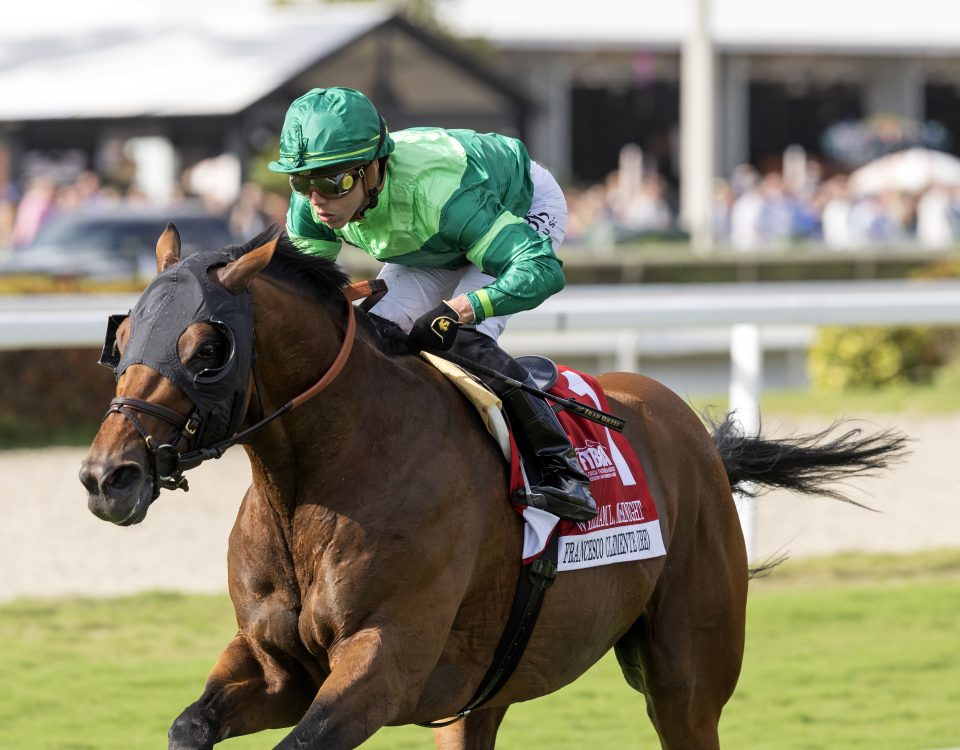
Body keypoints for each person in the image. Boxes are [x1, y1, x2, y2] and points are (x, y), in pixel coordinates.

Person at [268, 86, 596, 522]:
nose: (317, 199)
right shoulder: (313, 204)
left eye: (333, 181)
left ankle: (559, 467)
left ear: (373, 168)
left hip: (513, 205)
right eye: (303, 181)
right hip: (430, 241)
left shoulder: (441, 194)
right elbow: (304, 293)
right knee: (374, 336)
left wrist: (462, 309)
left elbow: (541, 270)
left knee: (461, 340)